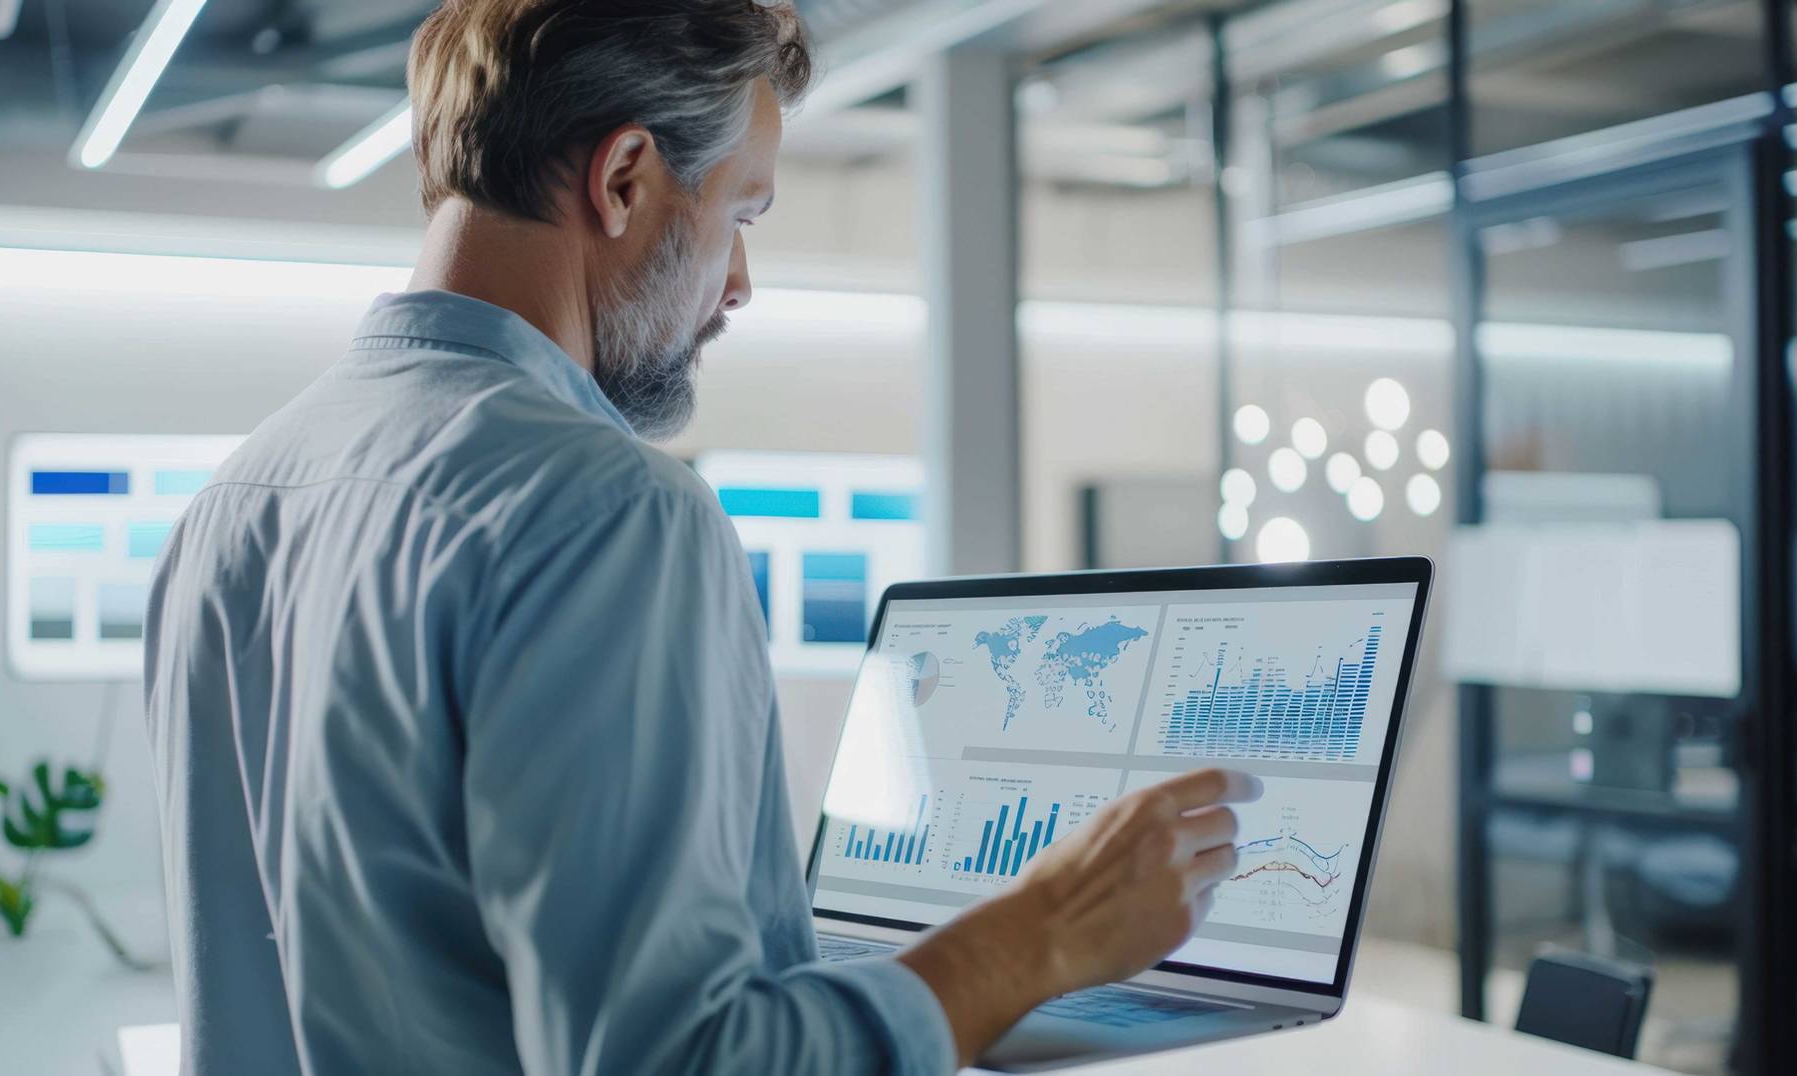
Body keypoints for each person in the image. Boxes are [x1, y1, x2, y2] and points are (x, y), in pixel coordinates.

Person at [143, 2, 1258, 1073]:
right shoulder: (605, 510)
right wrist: (1043, 934)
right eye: (742, 214)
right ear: (625, 177)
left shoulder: (234, 503)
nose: (739, 282)